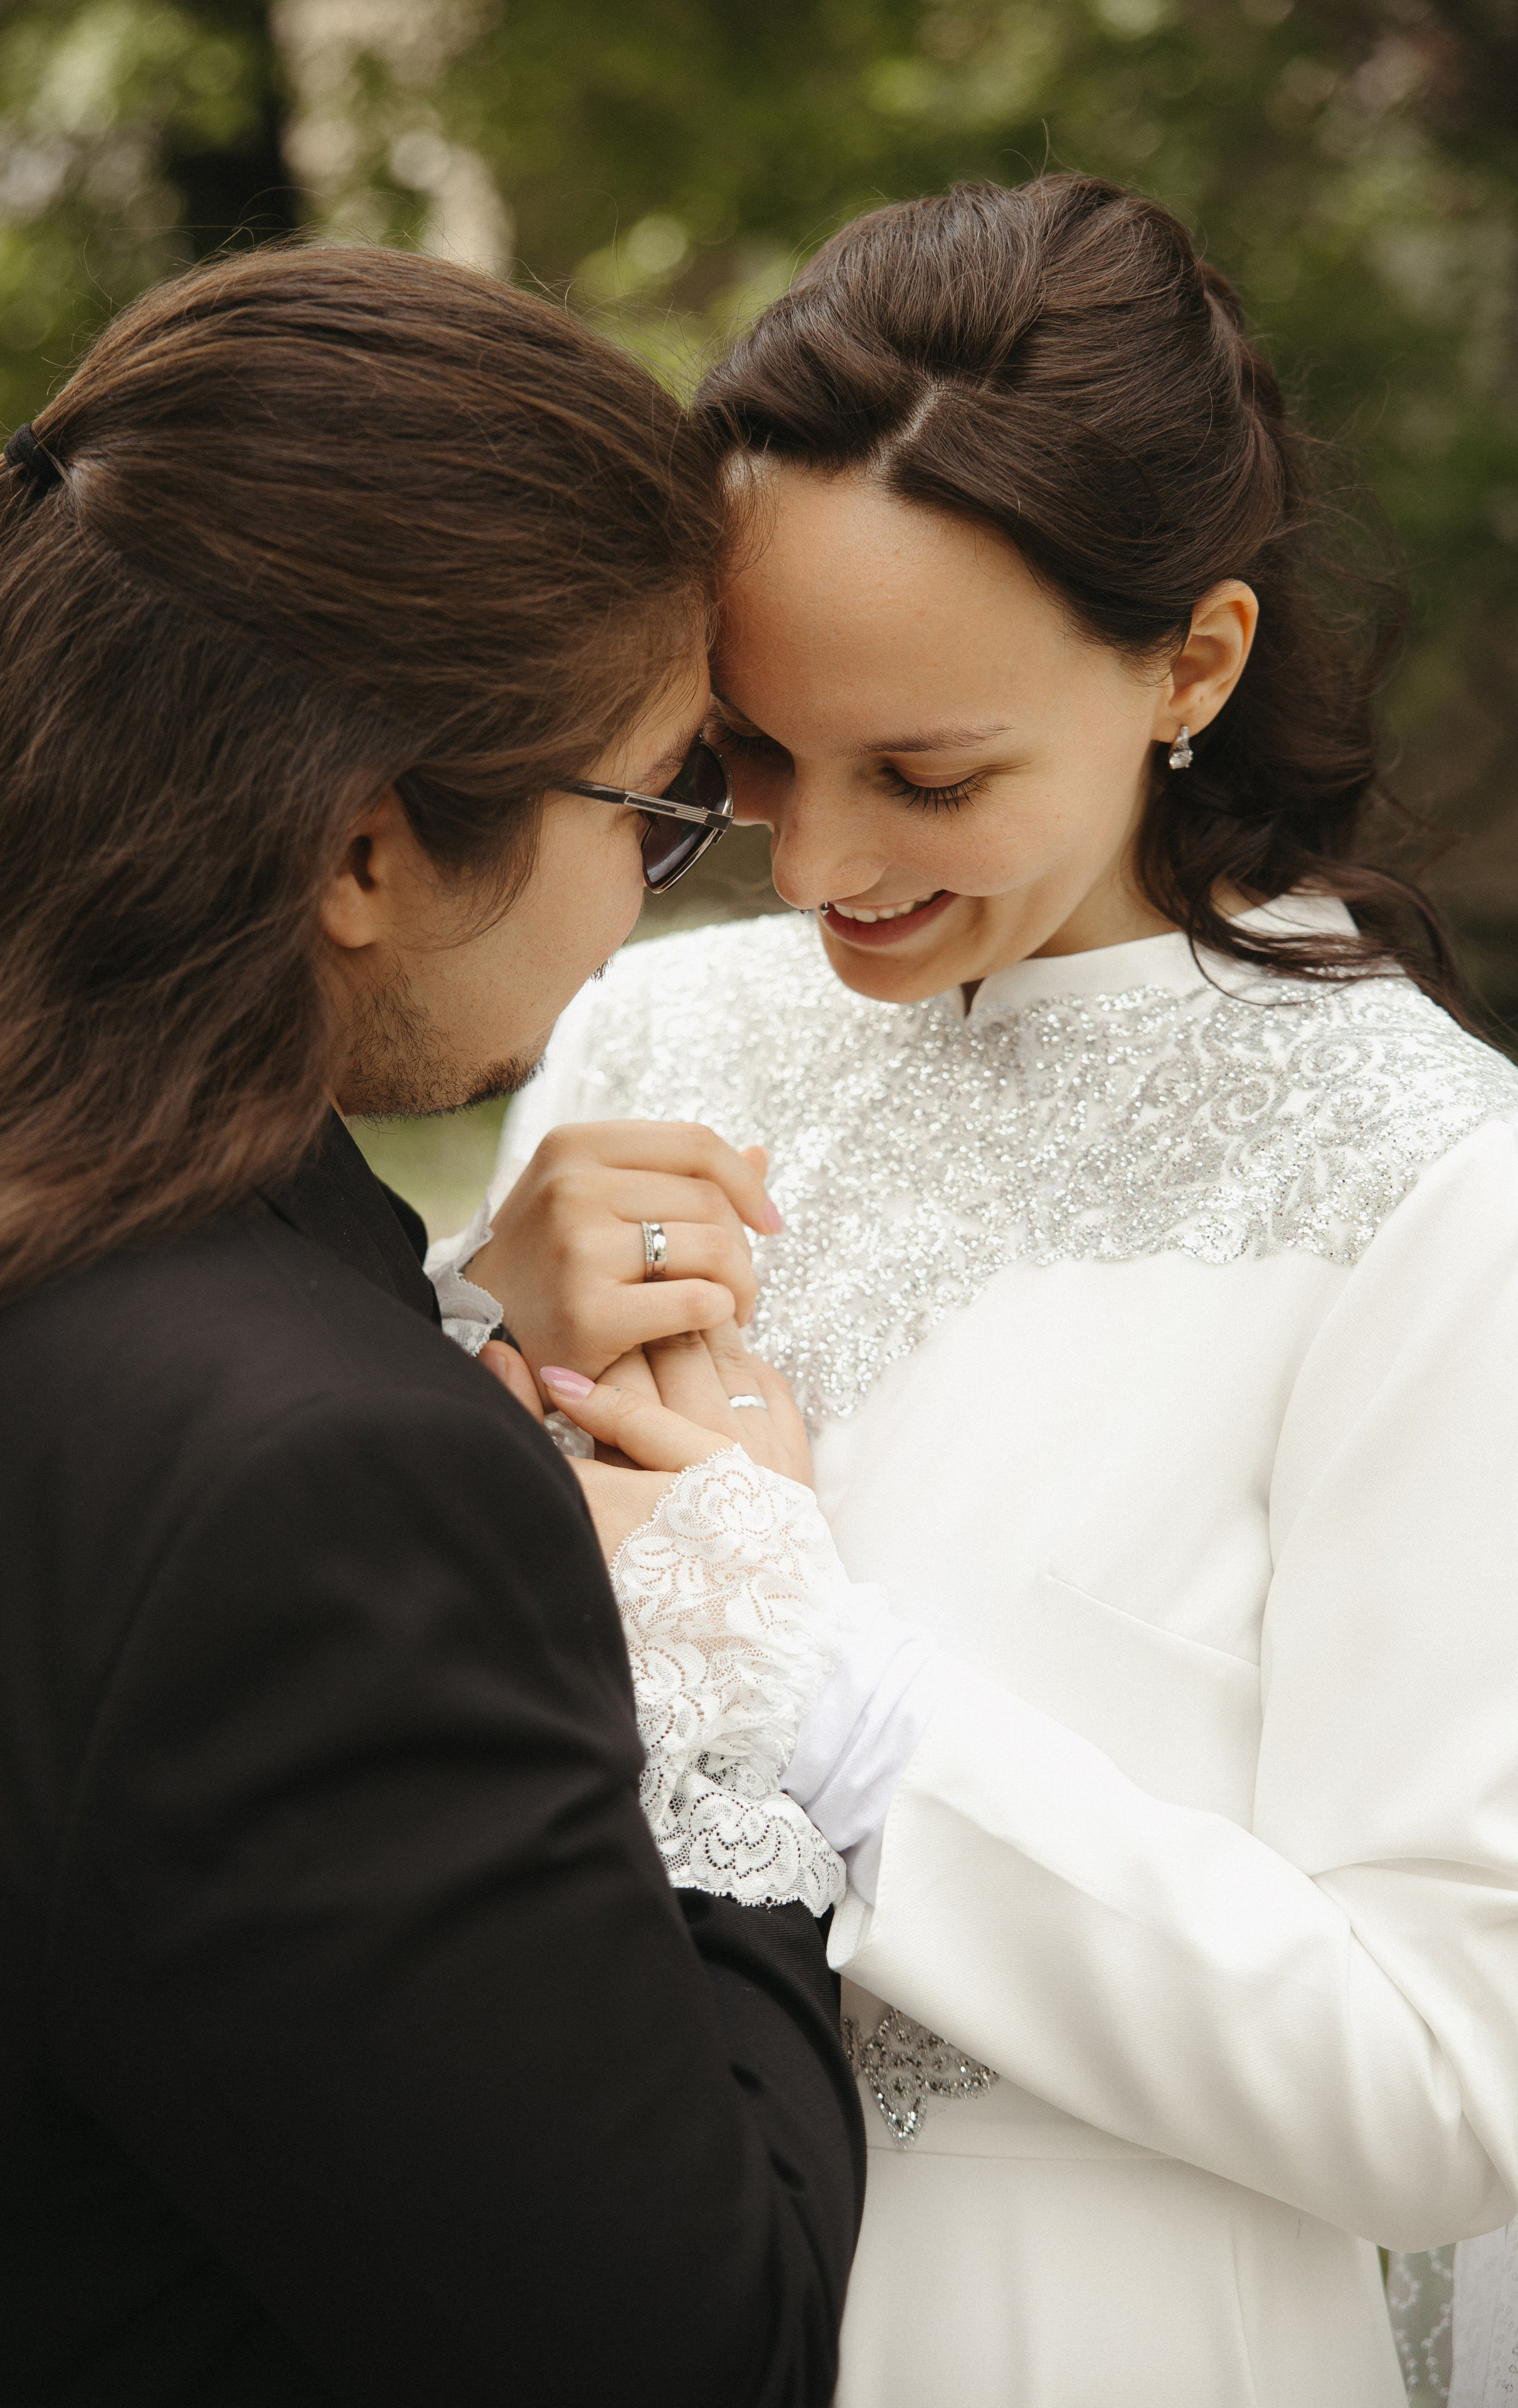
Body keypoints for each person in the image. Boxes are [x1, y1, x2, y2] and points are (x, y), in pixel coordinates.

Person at [476, 176, 1518, 2405]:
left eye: (927, 776)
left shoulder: (1428, 1186)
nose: (818, 864)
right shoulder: (647, 1038)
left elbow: (1451, 2092)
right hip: (594, 2266)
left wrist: (821, 1680)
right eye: (751, 755)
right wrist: (481, 1352)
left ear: (1193, 665)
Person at [0, 244, 866, 2405]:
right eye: (658, 807)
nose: (666, 894)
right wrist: (732, 1652)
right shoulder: (320, 1488)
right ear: (362, 850)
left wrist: (427, 1323)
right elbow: (687, 2349)